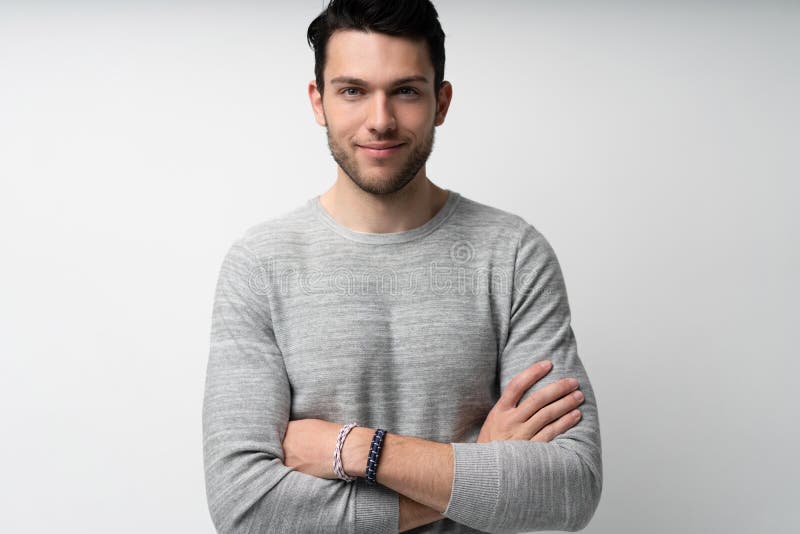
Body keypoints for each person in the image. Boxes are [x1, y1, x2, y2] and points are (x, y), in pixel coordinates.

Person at [201, 1, 602, 532]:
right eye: (353, 90)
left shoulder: (512, 254)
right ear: (318, 101)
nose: (380, 120)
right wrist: (476, 464)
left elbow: (569, 489)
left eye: (406, 91)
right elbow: (245, 509)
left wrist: (358, 449)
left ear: (442, 101)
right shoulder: (260, 264)